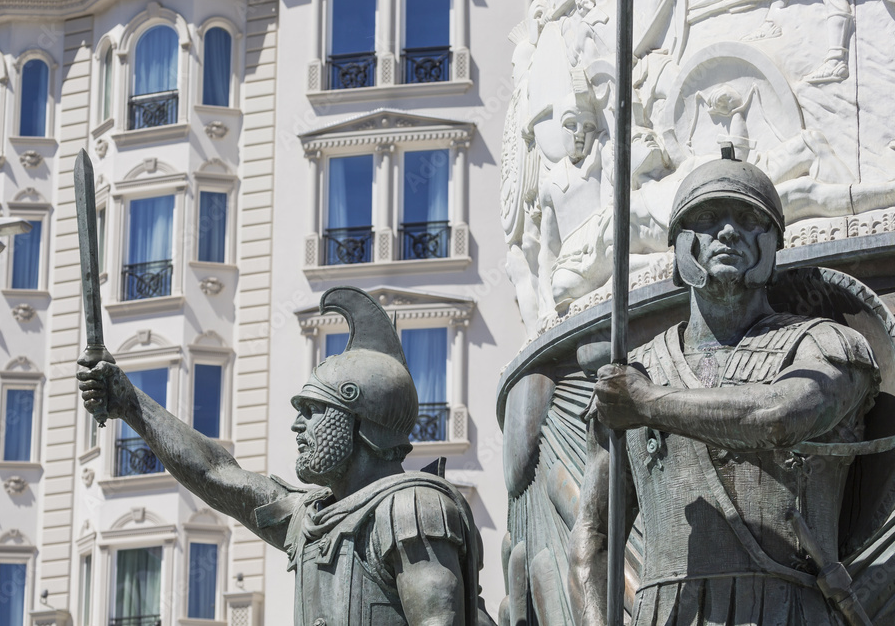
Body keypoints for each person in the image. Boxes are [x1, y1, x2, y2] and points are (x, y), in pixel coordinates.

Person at [567, 151, 882, 625]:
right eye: (709, 217)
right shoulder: (633, 375)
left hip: (787, 610)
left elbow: (778, 417)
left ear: (773, 245)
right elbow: (592, 534)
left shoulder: (824, 345)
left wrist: (647, 403)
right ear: (679, 247)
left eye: (750, 218)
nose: (729, 231)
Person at [77, 286, 494, 626]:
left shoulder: (412, 507)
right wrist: (129, 402)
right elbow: (215, 472)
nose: (298, 426)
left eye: (313, 411)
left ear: (359, 420)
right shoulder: (311, 517)